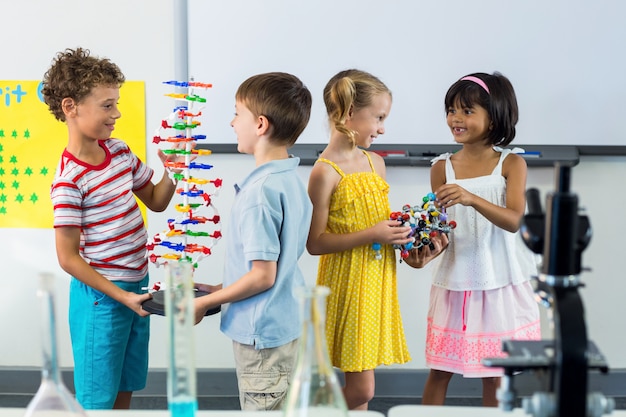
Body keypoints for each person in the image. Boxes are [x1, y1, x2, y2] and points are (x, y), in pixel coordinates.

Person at [43, 47, 183, 409]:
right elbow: (68, 257)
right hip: (102, 299)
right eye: (107, 105)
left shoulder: (119, 152)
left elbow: (155, 200)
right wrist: (120, 296)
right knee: (97, 399)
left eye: (116, 103)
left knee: (126, 384)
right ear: (71, 107)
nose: (117, 113)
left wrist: (174, 172)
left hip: (137, 289)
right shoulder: (69, 181)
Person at [306, 69, 443, 410]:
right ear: (349, 112)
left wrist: (405, 240)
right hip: (347, 282)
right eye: (378, 118)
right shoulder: (324, 172)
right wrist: (374, 234)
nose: (382, 128)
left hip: (376, 280)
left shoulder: (375, 163)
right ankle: (306, 407)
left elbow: (378, 226)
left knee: (361, 385)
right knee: (363, 390)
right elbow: (315, 243)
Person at [193, 72, 313, 411]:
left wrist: (202, 304)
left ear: (260, 124)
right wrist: (218, 289)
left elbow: (263, 276)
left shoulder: (259, 193)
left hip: (261, 338)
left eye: (236, 113)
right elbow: (276, 263)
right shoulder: (288, 178)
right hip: (284, 325)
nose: (232, 122)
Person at [421, 72, 541, 406]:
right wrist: (423, 251)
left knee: (495, 371)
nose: (455, 119)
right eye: (451, 110)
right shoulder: (441, 167)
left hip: (499, 281)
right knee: (439, 369)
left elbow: (516, 220)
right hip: (455, 282)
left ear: (494, 118)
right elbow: (441, 231)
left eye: (467, 111)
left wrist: (472, 198)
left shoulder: (511, 164)